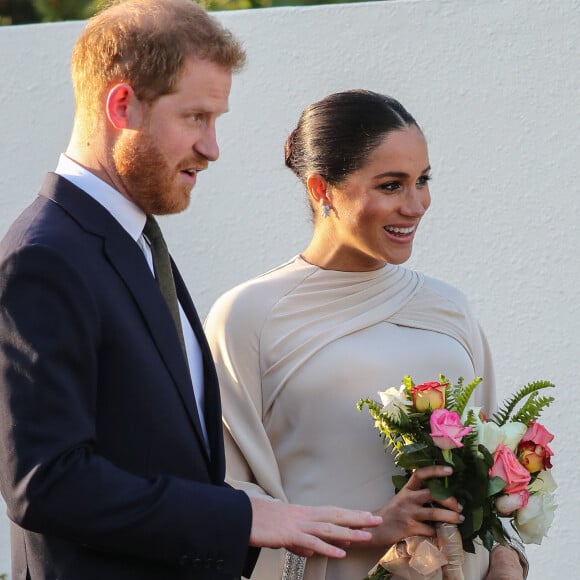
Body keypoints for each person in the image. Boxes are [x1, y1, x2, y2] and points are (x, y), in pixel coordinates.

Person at [0, 5, 383, 579]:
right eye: (196, 117)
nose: (212, 147)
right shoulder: (45, 257)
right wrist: (240, 516)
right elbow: (45, 482)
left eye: (215, 120)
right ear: (121, 105)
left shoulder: (133, 239)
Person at [204, 90, 528, 580]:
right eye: (391, 185)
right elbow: (222, 495)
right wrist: (374, 529)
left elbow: (488, 469)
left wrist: (508, 557)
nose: (416, 204)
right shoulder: (249, 315)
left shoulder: (450, 308)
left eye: (423, 180)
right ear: (321, 189)